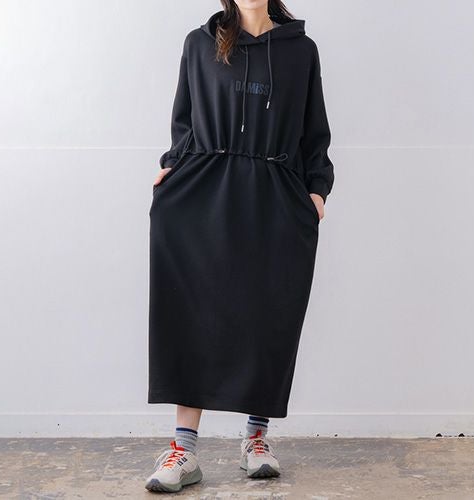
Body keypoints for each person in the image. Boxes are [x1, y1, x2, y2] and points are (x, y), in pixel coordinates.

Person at [146, 0, 334, 493]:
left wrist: (316, 190)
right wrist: (173, 166)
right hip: (204, 190)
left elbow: (314, 132)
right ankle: (184, 449)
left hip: (276, 193)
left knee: (268, 313)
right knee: (192, 313)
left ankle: (256, 438)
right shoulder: (199, 44)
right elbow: (184, 122)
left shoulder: (301, 51)